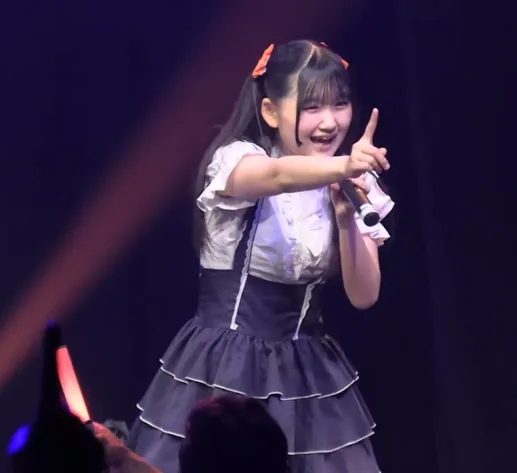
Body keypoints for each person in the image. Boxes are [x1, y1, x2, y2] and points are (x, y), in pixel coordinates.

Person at [127, 39, 394, 473]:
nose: (330, 122)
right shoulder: (238, 160)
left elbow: (364, 295)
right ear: (270, 111)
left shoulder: (351, 182)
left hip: (307, 369)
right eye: (311, 107)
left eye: (340, 105)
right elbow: (278, 175)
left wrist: (346, 219)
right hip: (226, 365)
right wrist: (344, 166)